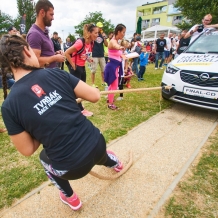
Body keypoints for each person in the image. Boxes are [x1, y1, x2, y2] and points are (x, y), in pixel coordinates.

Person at [0, 34, 123, 211]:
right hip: (97, 145)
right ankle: (114, 163)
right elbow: (95, 95)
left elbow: (27, 150)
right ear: (27, 50)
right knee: (98, 151)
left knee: (44, 159)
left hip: (70, 169)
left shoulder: (9, 106)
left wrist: (40, 125)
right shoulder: (55, 74)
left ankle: (71, 197)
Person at [64, 24, 97, 117]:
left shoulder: (91, 43)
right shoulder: (80, 43)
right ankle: (80, 110)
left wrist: (88, 59)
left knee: (81, 89)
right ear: (90, 33)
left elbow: (84, 54)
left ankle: (79, 107)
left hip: (82, 66)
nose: (97, 35)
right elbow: (66, 53)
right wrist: (73, 65)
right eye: (95, 33)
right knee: (78, 90)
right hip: (76, 68)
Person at [27, 0, 65, 68]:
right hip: (44, 77)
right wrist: (55, 58)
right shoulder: (34, 34)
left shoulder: (44, 32)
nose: (53, 18)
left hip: (50, 75)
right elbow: (35, 62)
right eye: (51, 14)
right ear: (42, 12)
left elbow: (45, 54)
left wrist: (55, 54)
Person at [104, 24, 126, 110]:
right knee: (114, 86)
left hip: (115, 66)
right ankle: (110, 104)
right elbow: (116, 46)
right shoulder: (113, 41)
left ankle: (109, 99)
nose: (124, 34)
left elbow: (118, 54)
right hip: (112, 67)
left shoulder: (116, 41)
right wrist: (120, 47)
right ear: (118, 32)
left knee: (113, 85)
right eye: (123, 32)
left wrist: (124, 55)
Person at [91, 22, 108, 88]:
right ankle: (93, 83)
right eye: (99, 27)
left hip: (101, 54)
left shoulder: (102, 35)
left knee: (103, 70)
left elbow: (106, 45)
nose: (101, 28)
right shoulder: (94, 34)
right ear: (96, 27)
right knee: (93, 70)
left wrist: (104, 38)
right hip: (95, 54)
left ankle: (103, 82)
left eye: (101, 27)